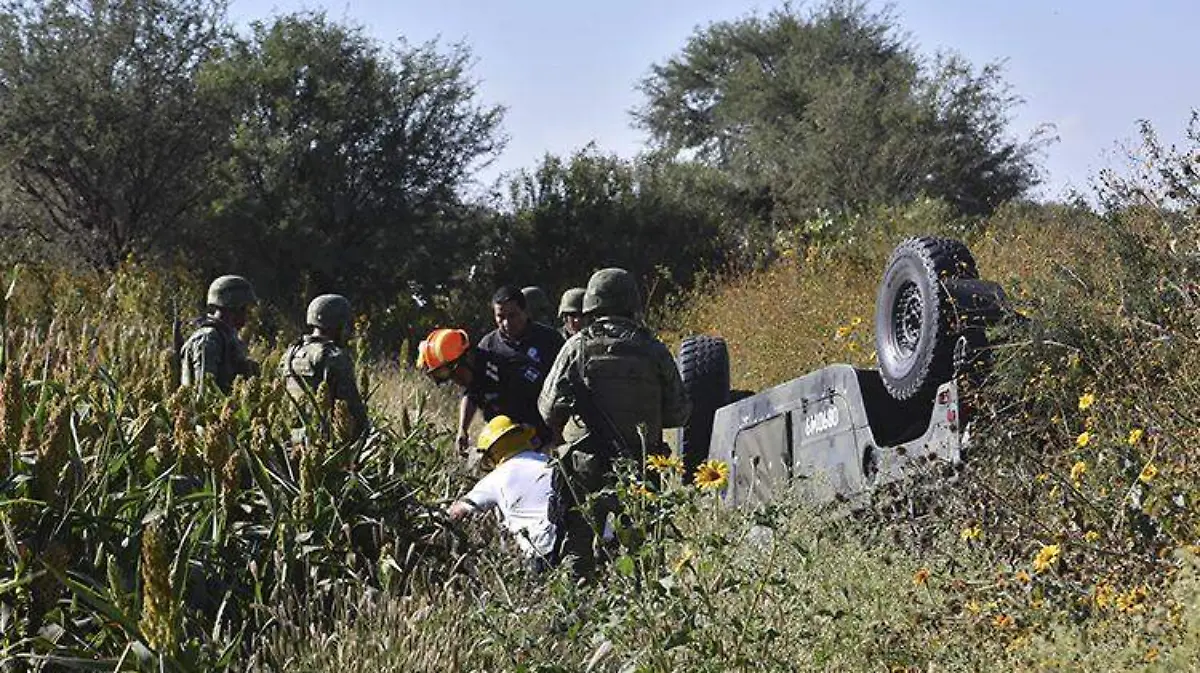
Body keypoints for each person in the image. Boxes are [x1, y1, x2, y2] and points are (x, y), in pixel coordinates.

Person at [538, 267, 691, 576]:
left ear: (592, 304)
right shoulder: (654, 349)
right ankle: (645, 617)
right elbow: (679, 412)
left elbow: (549, 408)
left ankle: (577, 613)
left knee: (577, 551)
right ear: (632, 302)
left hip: (585, 466)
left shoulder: (576, 347)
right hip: (641, 465)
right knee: (643, 555)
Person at [447, 415, 558, 570]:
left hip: (543, 551)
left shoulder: (495, 479)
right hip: (580, 539)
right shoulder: (551, 462)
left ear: (493, 453)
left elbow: (457, 512)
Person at [417, 328, 551, 452]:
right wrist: (462, 430)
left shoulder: (505, 369)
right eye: (450, 377)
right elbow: (470, 394)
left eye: (455, 374)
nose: (456, 381)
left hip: (539, 441)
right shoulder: (473, 372)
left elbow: (536, 409)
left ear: (467, 357)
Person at [278, 294, 369, 439]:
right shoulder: (334, 357)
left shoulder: (291, 353)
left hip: (291, 439)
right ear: (338, 326)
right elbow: (352, 409)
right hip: (323, 441)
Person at [180, 275, 260, 394]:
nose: (247, 315)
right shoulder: (208, 339)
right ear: (233, 308)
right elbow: (204, 389)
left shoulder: (228, 337)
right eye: (244, 309)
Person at [480, 285, 564, 381]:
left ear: (525, 312)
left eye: (512, 315)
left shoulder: (550, 340)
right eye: (501, 317)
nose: (506, 323)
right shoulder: (487, 346)